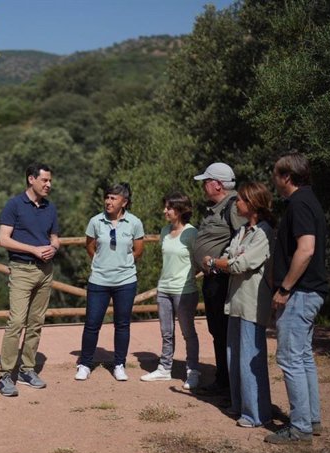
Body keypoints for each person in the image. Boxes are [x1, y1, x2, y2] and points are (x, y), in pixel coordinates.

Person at [264, 151, 328, 444]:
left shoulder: (300, 204)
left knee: (290, 358)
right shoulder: (307, 201)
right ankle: (310, 420)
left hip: (300, 293)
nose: (274, 181)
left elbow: (306, 249)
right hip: (307, 292)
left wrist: (285, 288)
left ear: (286, 177)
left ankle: (300, 427)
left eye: (277, 175)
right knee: (302, 358)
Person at [204, 182, 274, 428]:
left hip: (252, 303)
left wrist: (216, 262)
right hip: (234, 302)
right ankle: (239, 404)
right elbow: (231, 256)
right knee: (234, 356)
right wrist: (224, 260)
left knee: (249, 359)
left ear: (253, 203)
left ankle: (256, 413)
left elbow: (238, 264)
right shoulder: (242, 231)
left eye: (242, 199)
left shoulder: (264, 233)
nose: (237, 203)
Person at [0, 162, 60, 397]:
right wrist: (33, 249)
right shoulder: (14, 205)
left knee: (36, 322)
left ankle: (27, 369)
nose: (49, 185)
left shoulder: (50, 208)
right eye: (45, 180)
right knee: (16, 322)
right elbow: (3, 239)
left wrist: (53, 247)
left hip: (46, 270)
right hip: (22, 269)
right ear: (31, 179)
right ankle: (4, 375)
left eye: (50, 180)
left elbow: (55, 238)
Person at [75, 183, 144, 381]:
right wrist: (100, 262)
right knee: (92, 323)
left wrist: (124, 263)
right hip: (98, 280)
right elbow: (90, 245)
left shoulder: (134, 222)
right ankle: (85, 364)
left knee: (122, 324)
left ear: (125, 202)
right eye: (107, 197)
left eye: (113, 198)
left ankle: (119, 364)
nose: (108, 201)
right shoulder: (95, 221)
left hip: (126, 280)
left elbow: (138, 249)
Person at [193, 162, 247, 394]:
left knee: (225, 331)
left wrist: (220, 263)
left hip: (223, 279)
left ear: (217, 184)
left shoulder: (233, 206)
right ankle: (223, 379)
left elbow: (243, 239)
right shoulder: (218, 207)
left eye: (206, 181)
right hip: (213, 278)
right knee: (217, 330)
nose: (204, 186)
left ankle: (230, 384)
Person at [140, 192, 200, 390]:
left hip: (185, 291)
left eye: (169, 207)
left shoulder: (192, 233)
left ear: (181, 210)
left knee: (188, 333)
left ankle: (192, 371)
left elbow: (199, 261)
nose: (165, 211)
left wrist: (188, 276)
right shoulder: (165, 231)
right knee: (166, 332)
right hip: (164, 289)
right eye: (165, 207)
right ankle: (165, 368)